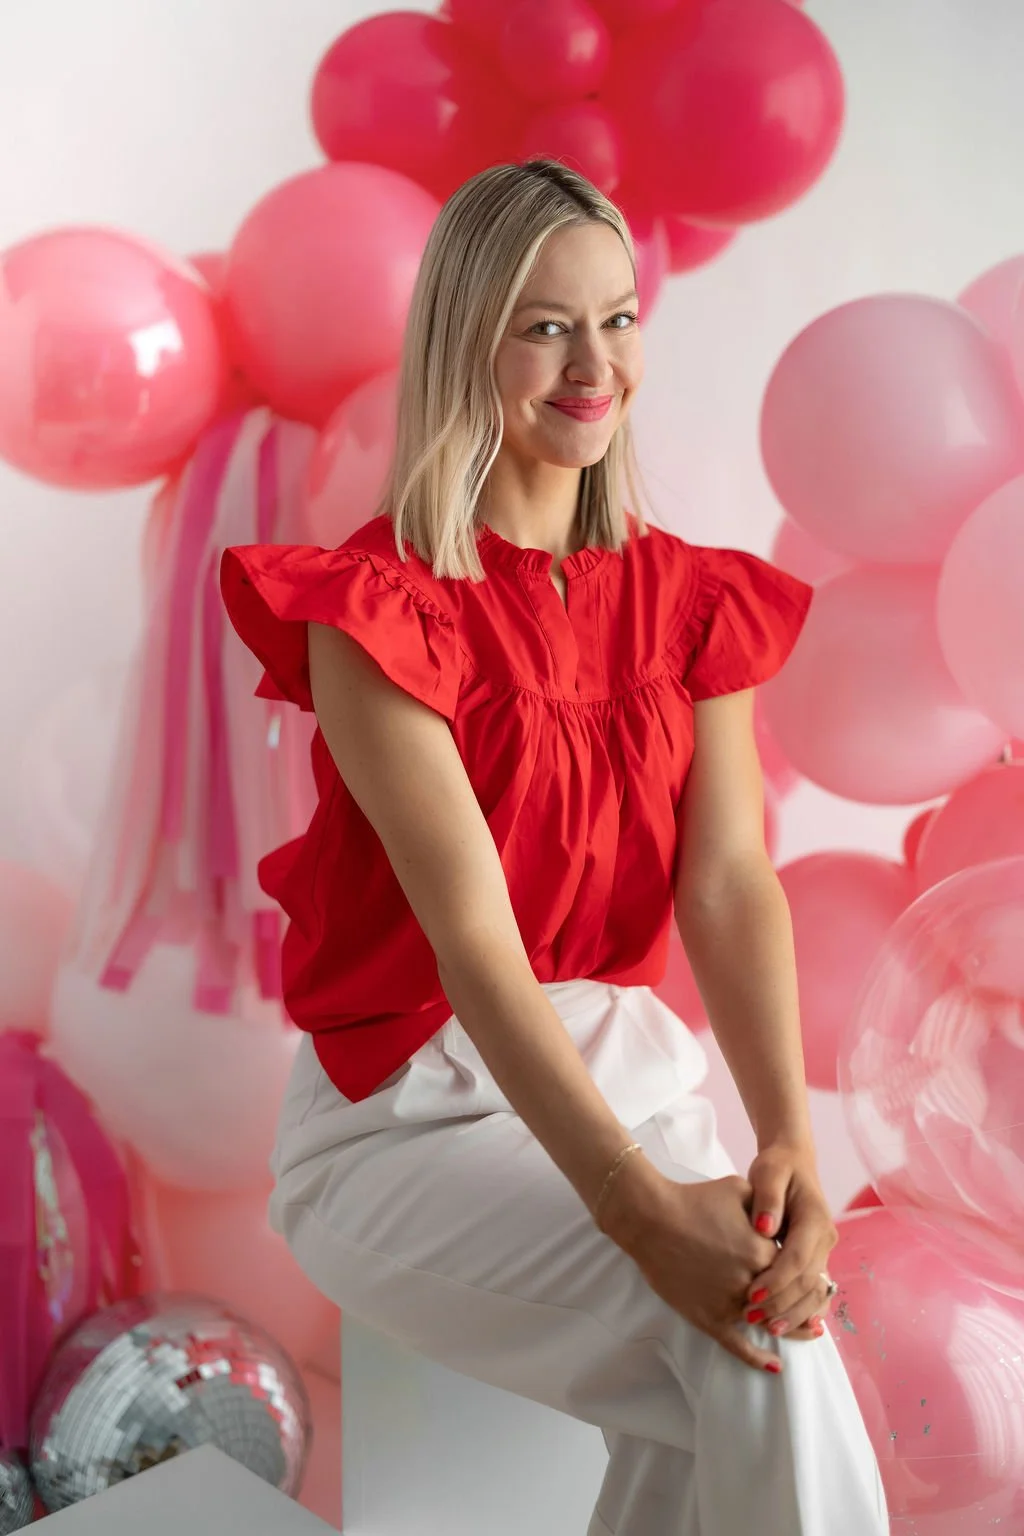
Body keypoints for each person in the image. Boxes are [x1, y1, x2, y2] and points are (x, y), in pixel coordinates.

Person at [220, 159, 887, 1535]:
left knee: (736, 1380)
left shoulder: (693, 602)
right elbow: (473, 947)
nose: (597, 365)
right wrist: (640, 1211)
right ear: (470, 341)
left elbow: (728, 882)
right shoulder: (381, 613)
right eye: (546, 326)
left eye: (622, 319)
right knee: (753, 1352)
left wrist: (791, 1150)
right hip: (403, 1124)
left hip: (628, 1079)